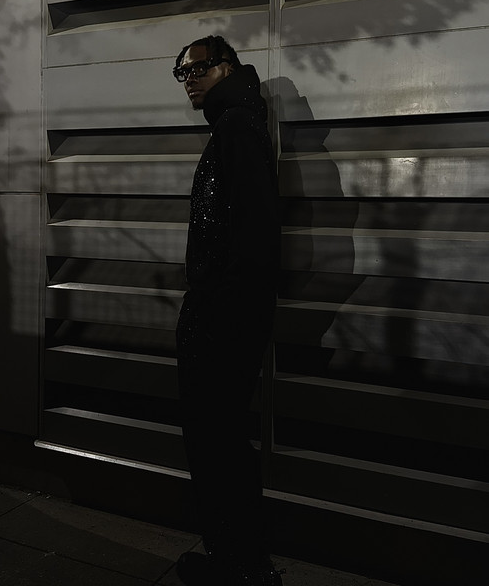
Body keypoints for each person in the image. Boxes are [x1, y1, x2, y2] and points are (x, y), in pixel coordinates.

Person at [172, 36, 282, 586]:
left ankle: (241, 568)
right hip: (227, 313)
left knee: (216, 444)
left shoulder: (237, 127)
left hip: (224, 318)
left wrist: (221, 314)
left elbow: (256, 234)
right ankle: (236, 562)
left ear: (228, 67)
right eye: (182, 73)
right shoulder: (237, 124)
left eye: (198, 68)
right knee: (220, 441)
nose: (188, 80)